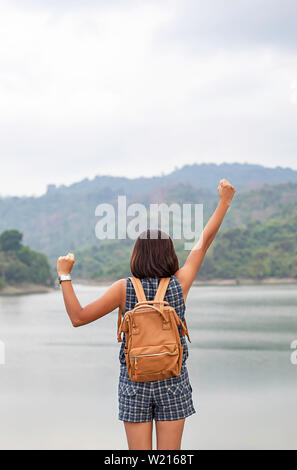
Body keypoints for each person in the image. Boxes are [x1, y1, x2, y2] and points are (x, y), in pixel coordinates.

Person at [57, 178, 236, 450]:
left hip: (134, 383)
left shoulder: (123, 288)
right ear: (170, 255)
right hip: (173, 380)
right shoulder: (180, 283)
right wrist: (224, 202)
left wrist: (65, 274)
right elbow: (203, 242)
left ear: (136, 256)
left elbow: (78, 317)